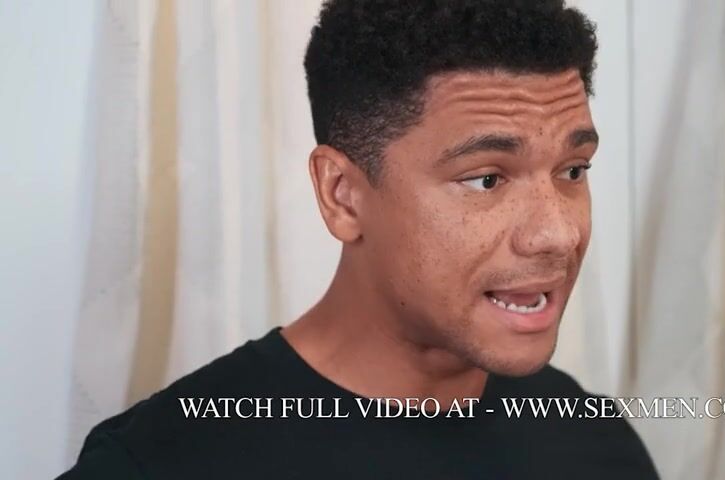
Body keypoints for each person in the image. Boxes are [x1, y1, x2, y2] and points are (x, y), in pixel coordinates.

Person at [59, 0, 659, 478]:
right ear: (342, 194)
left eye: (573, 171)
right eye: (486, 179)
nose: (557, 233)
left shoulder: (593, 441)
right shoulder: (158, 463)